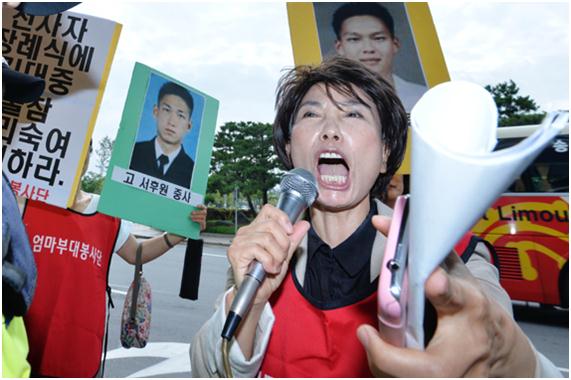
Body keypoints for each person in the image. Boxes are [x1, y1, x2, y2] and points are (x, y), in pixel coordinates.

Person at [190, 57, 560, 377]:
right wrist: (249, 304)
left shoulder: (452, 256)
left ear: (385, 152)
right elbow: (211, 370)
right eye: (311, 114)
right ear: (289, 148)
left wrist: (501, 354)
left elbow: (502, 347)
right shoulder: (260, 252)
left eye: (353, 114)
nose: (330, 129)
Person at [21, 141, 207, 377]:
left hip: (80, 342)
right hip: (24, 337)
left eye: (83, 150)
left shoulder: (106, 210)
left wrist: (178, 233)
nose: (77, 158)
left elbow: (136, 254)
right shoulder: (26, 201)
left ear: (88, 158)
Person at [332, 2, 427, 112]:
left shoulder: (423, 97)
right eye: (354, 39)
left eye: (378, 38)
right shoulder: (329, 100)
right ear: (339, 47)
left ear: (395, 44)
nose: (368, 49)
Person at [129, 81, 195, 189]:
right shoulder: (132, 152)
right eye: (167, 110)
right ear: (156, 111)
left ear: (189, 126)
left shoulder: (193, 172)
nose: (172, 122)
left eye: (180, 115)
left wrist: (197, 206)